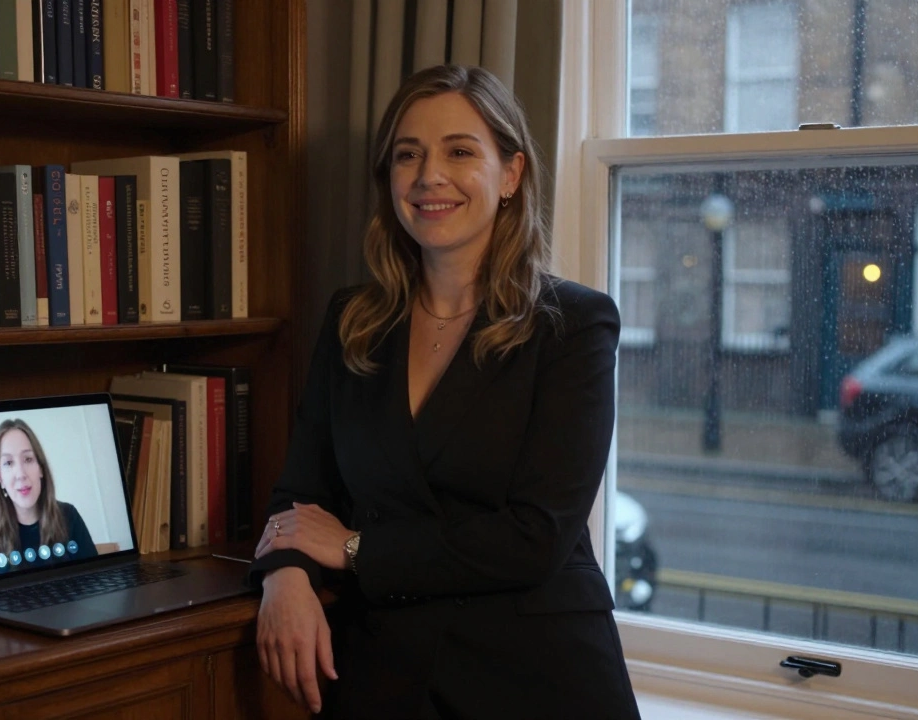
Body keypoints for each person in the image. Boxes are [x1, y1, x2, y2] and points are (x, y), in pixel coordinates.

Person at [247, 64, 641, 719]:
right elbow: (302, 493)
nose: (430, 175)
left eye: (460, 151)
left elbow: (534, 537)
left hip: (537, 678)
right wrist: (284, 576)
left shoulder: (573, 324)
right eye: (409, 155)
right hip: (387, 676)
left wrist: (353, 549)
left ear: (511, 175)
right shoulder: (353, 321)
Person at [0, 418, 99, 581]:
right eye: (8, 463)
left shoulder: (69, 516)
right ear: (0, 477)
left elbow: (95, 580)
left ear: (40, 468)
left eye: (28, 459)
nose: (21, 473)